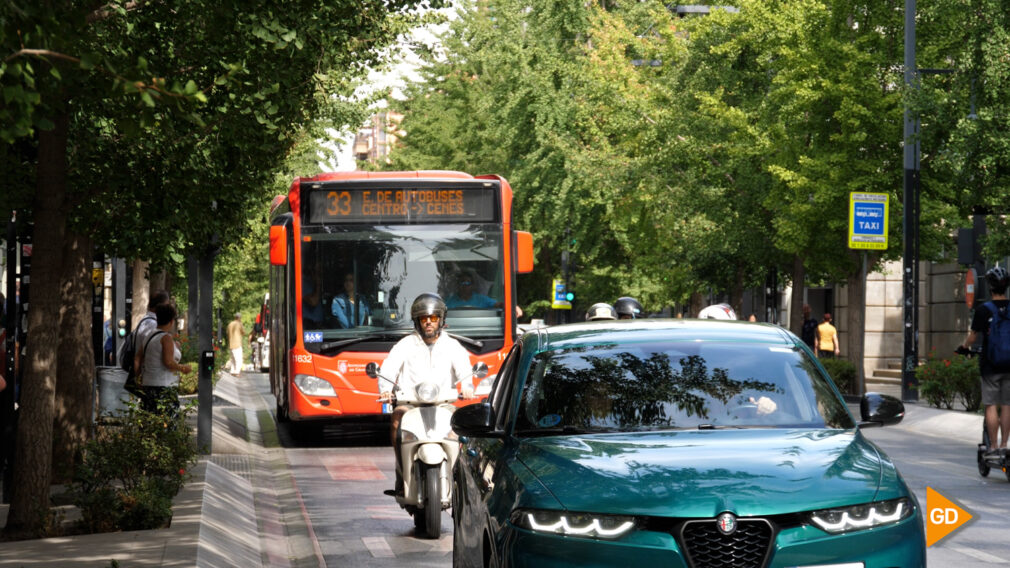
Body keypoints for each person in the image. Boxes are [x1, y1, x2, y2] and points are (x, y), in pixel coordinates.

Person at [378, 293, 476, 493]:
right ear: (417, 321)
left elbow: (464, 370)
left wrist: (467, 386)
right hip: (411, 404)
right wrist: (386, 390)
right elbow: (388, 369)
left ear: (441, 320)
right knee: (397, 417)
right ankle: (401, 472)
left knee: (458, 427)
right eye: (424, 319)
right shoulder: (405, 345)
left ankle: (457, 476)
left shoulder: (452, 345)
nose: (429, 323)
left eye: (433, 318)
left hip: (443, 404)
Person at [959, 266, 1010, 457]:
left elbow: (973, 337)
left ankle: (994, 446)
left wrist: (963, 347)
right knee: (1007, 404)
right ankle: (1005, 444)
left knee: (990, 405)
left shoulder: (983, 310)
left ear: (989, 287)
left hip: (991, 365)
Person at [137, 303, 192, 414]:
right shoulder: (165, 337)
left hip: (148, 385)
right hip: (163, 386)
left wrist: (137, 377)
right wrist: (183, 368)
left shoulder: (149, 336)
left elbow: (137, 358)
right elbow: (168, 362)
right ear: (171, 321)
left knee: (150, 422)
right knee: (166, 423)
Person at [133, 289, 171, 372]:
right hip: (149, 372)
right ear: (161, 306)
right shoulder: (153, 324)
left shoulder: (145, 320)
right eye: (167, 305)